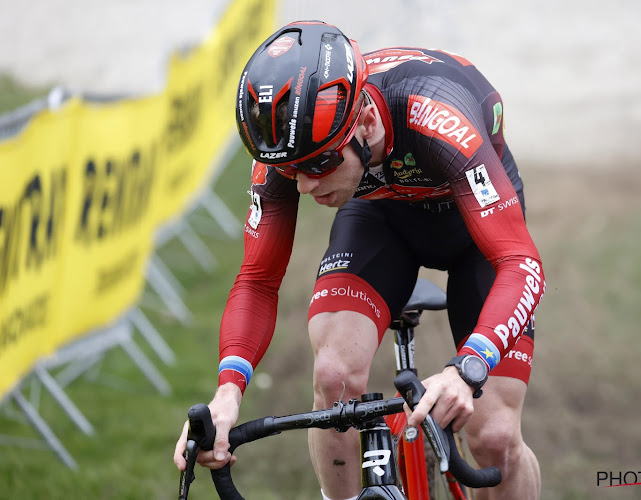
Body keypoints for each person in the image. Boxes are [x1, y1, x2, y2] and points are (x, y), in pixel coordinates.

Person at [174, 20, 546, 500]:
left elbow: (521, 262)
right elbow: (257, 279)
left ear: (366, 123)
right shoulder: (291, 144)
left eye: (318, 164)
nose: (304, 186)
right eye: (290, 170)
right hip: (380, 218)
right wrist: (227, 393)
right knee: (334, 376)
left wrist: (469, 367)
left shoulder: (435, 116)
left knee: (493, 436)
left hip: (474, 229)